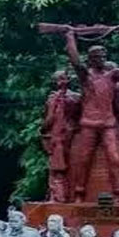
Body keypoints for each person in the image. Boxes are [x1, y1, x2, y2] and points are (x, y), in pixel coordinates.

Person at [63, 26, 119, 204]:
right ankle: (79, 194)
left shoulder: (112, 75)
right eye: (97, 57)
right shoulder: (86, 76)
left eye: (103, 57)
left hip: (108, 124)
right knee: (83, 160)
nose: (101, 59)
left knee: (115, 158)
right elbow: (76, 62)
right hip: (88, 124)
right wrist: (70, 37)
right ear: (91, 60)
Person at [40, 70, 81, 202]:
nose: (60, 82)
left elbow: (50, 118)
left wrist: (42, 129)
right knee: (63, 167)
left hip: (63, 134)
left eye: (62, 79)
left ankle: (60, 197)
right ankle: (62, 195)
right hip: (66, 134)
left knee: (59, 168)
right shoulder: (71, 98)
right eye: (58, 79)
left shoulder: (65, 98)